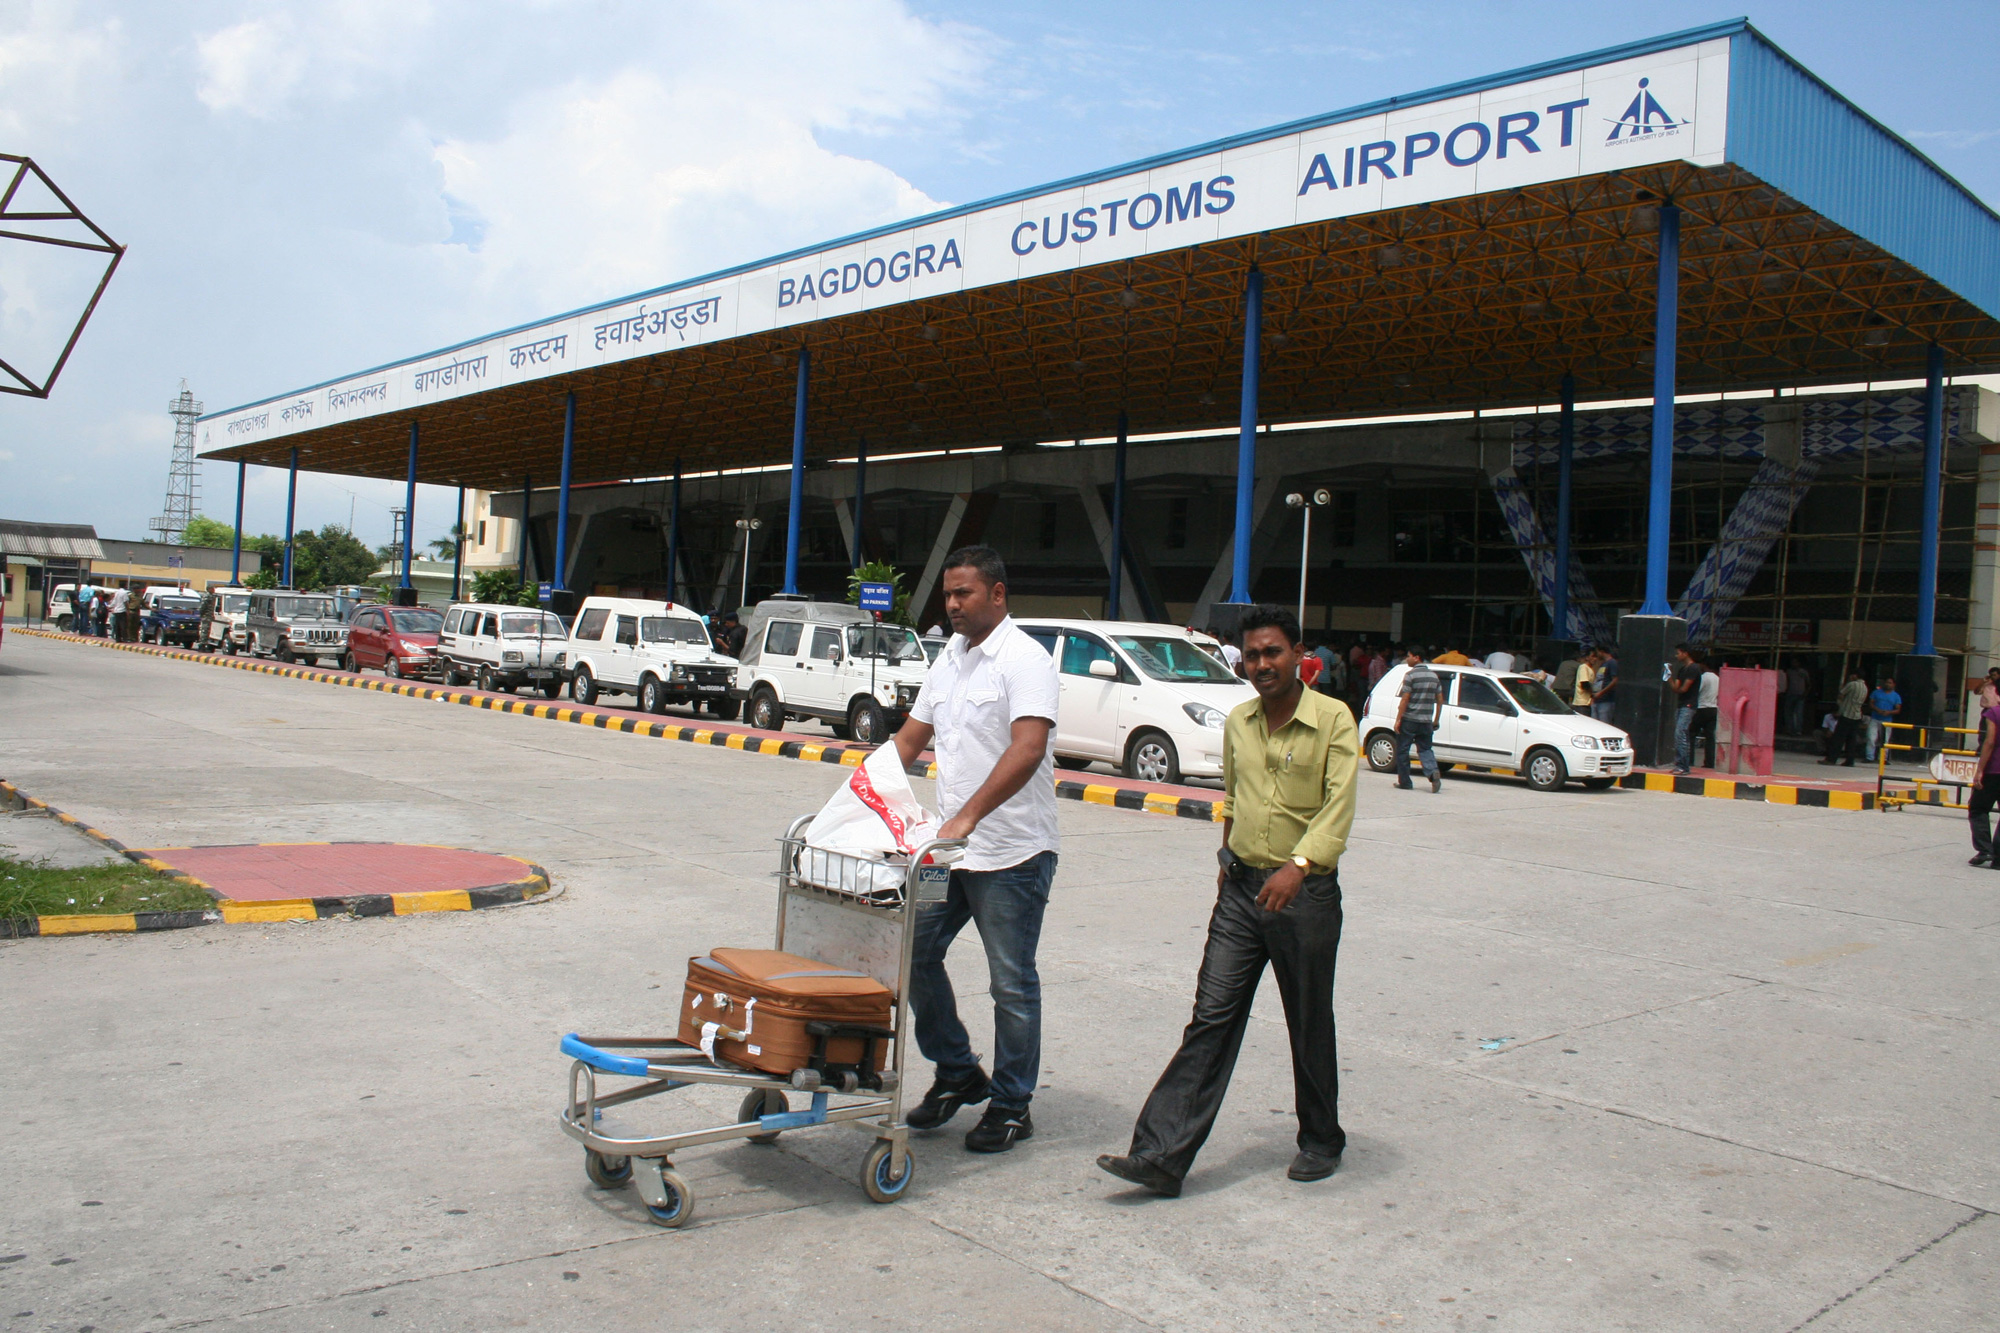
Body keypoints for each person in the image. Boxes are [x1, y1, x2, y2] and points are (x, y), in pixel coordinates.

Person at [1097, 604, 1357, 1196]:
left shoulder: (1335, 720)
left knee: (1308, 1019)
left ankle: (1321, 1140)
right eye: (1253, 655)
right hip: (1241, 893)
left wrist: (1298, 866)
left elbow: (1337, 807)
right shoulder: (1239, 721)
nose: (1263, 664)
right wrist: (1225, 864)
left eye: (1273, 652)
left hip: (1305, 894)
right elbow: (1235, 800)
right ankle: (1160, 1157)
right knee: (1210, 1019)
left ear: (1298, 654)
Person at [890, 546, 1060, 1154]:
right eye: (948, 595)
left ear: (997, 594)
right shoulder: (948, 661)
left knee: (1010, 984)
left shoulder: (1025, 659)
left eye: (964, 594)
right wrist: (856, 798)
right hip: (948, 852)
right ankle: (959, 1072)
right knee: (913, 954)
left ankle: (1014, 1104)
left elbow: (1028, 747)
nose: (953, 605)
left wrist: (966, 816)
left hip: (1012, 853)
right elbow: (911, 739)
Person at [1392, 647, 1442, 794]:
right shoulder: (1434, 677)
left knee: (1402, 750)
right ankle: (1433, 773)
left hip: (1410, 720)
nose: (1407, 659)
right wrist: (1436, 720)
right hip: (1426, 721)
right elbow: (1440, 700)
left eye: (1409, 656)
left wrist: (1398, 719)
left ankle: (1405, 782)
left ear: (1417, 658)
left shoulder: (1410, 675)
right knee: (1425, 749)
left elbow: (1405, 698)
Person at [1970, 691, 2000, 867]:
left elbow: (1989, 742)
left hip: (1994, 769)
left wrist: (1980, 770)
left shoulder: (1994, 713)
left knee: (1978, 808)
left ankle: (1985, 850)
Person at [1820, 670, 1869, 767]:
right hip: (1857, 715)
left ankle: (1831, 759)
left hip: (1846, 714)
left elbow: (1841, 694)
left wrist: (1841, 705)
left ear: (1855, 675)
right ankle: (1850, 760)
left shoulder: (1852, 684)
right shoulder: (1865, 687)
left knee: (1838, 738)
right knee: (1851, 740)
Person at [1669, 645, 1701, 775]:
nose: (1677, 656)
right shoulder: (1682, 669)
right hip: (1682, 705)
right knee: (1681, 735)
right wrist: (1669, 678)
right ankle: (1681, 765)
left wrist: (1672, 681)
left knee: (1680, 733)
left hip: (1688, 705)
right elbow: (1676, 687)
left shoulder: (1693, 668)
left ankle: (1683, 766)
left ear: (1685, 653)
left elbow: (1682, 689)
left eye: (1678, 653)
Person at [1865, 675, 1902, 764]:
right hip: (1875, 718)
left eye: (1890, 683)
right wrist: (1877, 710)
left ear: (1893, 685)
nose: (1888, 684)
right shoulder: (1876, 693)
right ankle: (1869, 757)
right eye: (1886, 682)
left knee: (1885, 740)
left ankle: (1883, 759)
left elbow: (1898, 709)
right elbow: (1871, 703)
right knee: (1871, 738)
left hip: (1887, 720)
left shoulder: (1896, 696)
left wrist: (1889, 712)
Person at [1693, 656, 1721, 769]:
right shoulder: (1718, 678)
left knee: (1690, 734)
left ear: (1705, 665)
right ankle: (1709, 763)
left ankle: (1689, 760)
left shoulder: (1703, 678)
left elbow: (1696, 691)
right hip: (1713, 708)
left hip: (1701, 708)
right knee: (1710, 738)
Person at [1591, 648, 1618, 724]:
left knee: (1604, 723)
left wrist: (1601, 693)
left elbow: (1615, 680)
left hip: (1606, 700)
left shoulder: (1612, 663)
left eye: (1597, 652)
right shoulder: (1603, 664)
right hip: (1597, 699)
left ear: (1601, 651)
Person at [1572, 647, 1598, 712]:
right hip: (1582, 702)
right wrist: (1594, 694)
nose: (1595, 659)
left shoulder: (1590, 669)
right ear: (1587, 657)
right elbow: (1584, 684)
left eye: (1596, 657)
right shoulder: (1583, 667)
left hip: (1587, 702)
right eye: (1593, 656)